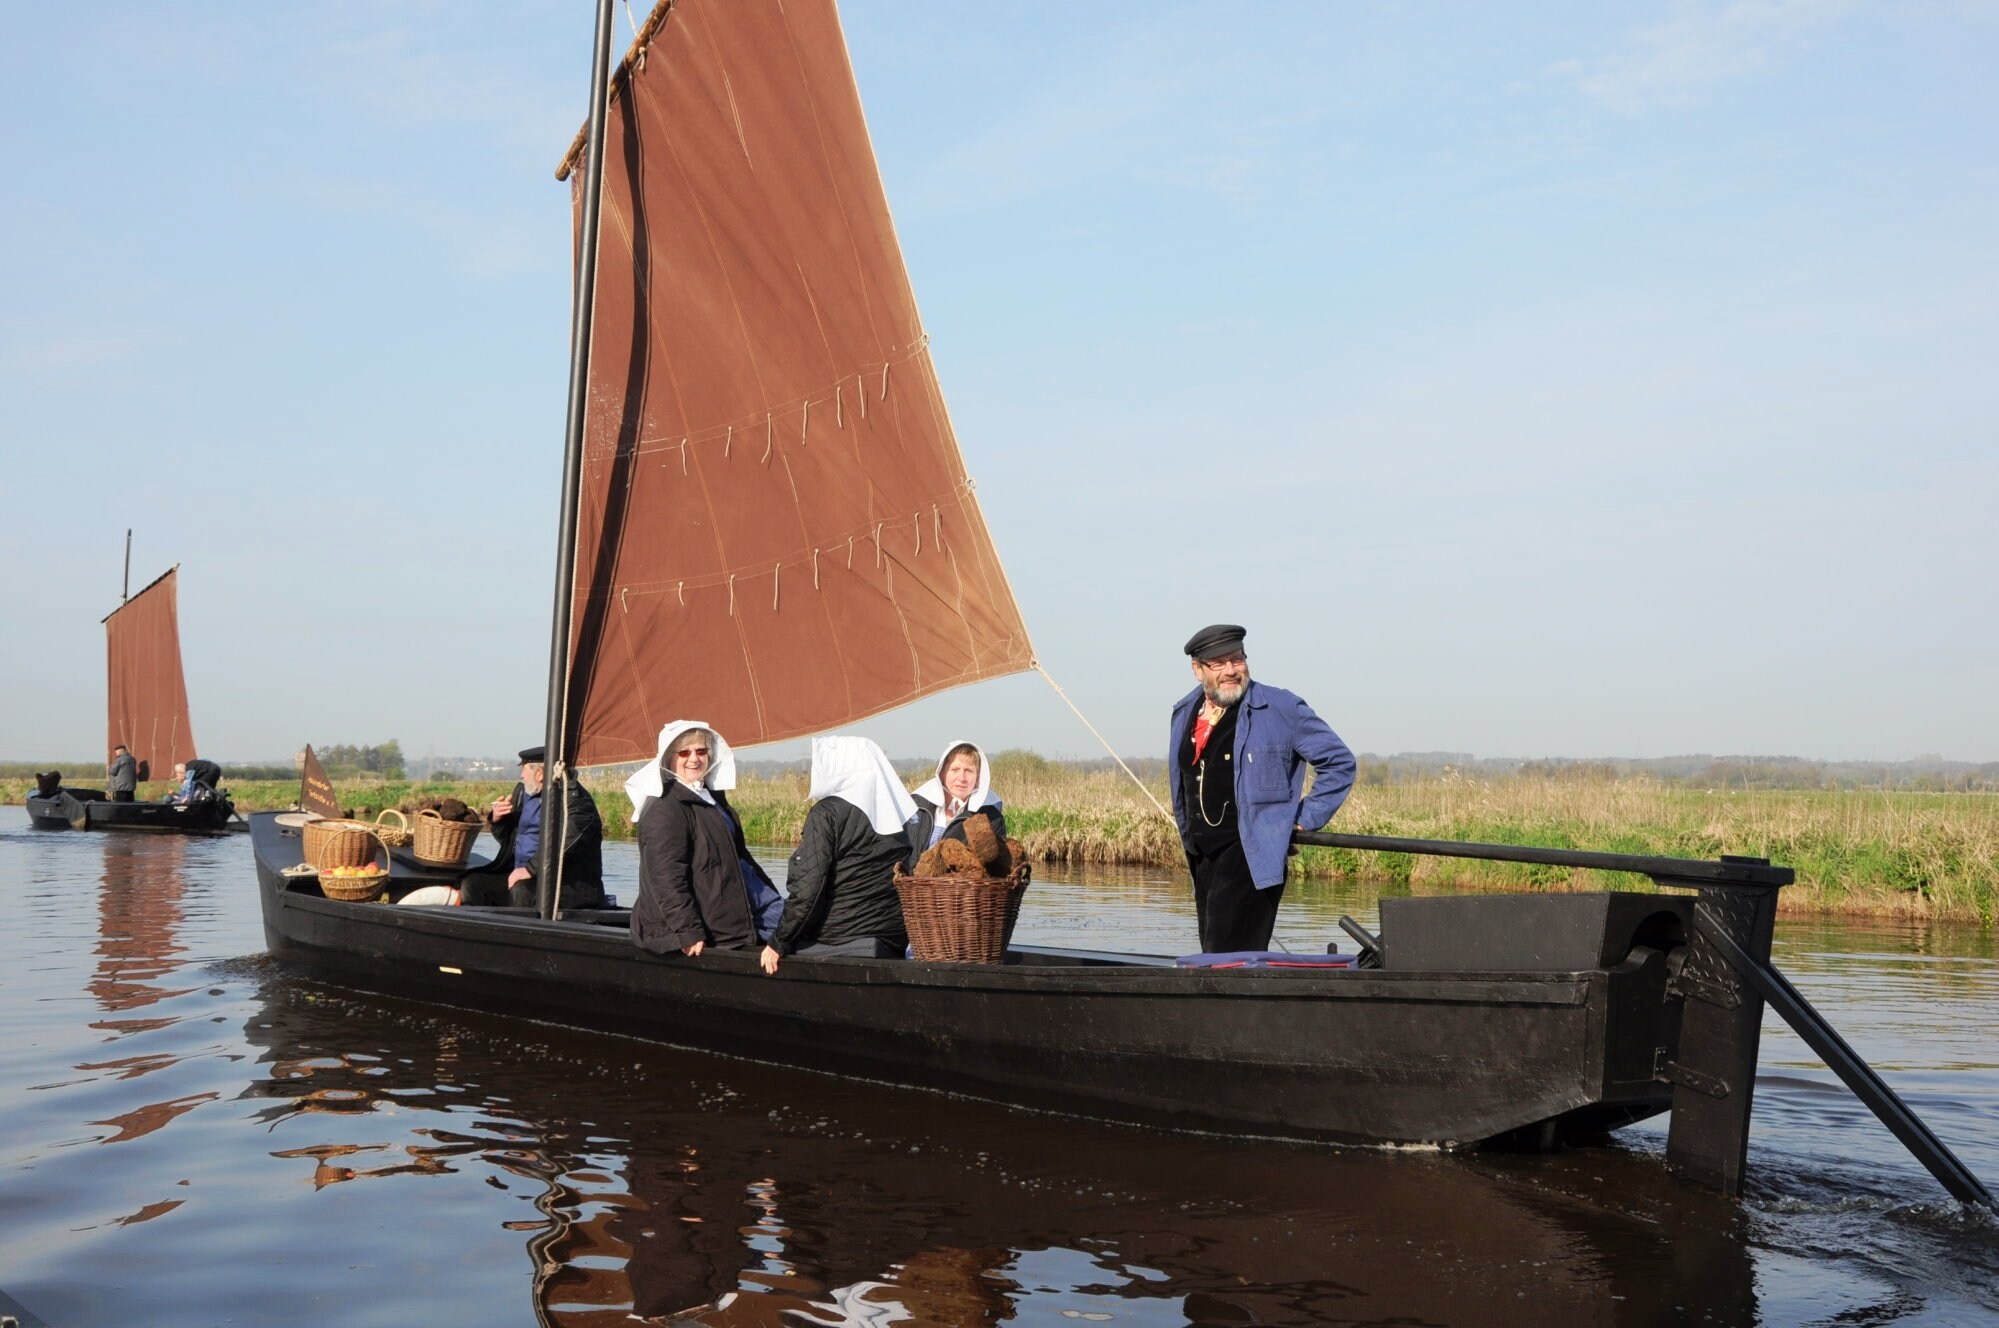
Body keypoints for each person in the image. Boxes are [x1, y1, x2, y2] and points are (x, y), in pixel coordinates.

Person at [1168, 624, 1356, 955]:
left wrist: (1304, 818)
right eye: (1218, 663)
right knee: (1212, 954)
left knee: (1227, 959)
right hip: (1202, 857)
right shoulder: (1184, 711)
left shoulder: (1281, 708)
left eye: (1237, 660)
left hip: (1252, 855)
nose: (1230, 670)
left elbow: (1339, 762)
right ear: (1198, 669)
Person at [760, 736, 917, 974]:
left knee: (760, 926)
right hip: (892, 935)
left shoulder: (826, 813)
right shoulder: (896, 813)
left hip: (840, 935)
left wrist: (779, 942)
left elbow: (808, 890)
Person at [629, 721, 784, 956]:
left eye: (701, 751)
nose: (694, 759)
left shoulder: (711, 798)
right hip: (705, 924)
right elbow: (666, 876)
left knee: (798, 927)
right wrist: (688, 931)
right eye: (684, 752)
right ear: (668, 758)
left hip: (735, 911)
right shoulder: (665, 807)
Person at [459, 745, 607, 910]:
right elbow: (510, 842)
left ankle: (520, 933)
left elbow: (567, 843)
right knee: (473, 883)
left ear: (540, 774)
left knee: (521, 889)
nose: (521, 775)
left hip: (568, 885)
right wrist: (498, 820)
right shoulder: (522, 794)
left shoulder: (576, 802)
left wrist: (530, 869)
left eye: (524, 770)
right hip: (523, 876)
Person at [906, 740, 1006, 860]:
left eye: (968, 771)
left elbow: (995, 865)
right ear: (942, 773)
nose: (962, 778)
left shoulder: (991, 817)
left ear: (978, 777)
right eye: (955, 769)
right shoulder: (916, 808)